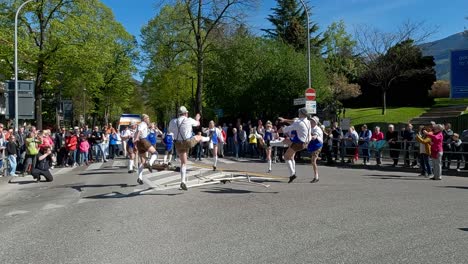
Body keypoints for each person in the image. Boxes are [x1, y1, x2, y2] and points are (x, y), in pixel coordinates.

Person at [168, 106, 209, 191]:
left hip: (178, 143)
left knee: (183, 163)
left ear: (178, 114)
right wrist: (197, 118)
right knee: (199, 136)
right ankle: (209, 139)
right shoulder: (189, 120)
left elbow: (170, 130)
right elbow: (198, 124)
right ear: (186, 113)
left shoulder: (173, 121)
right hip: (187, 142)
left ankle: (183, 182)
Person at [278, 107, 311, 183]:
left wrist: (283, 128)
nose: (298, 113)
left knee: (286, 156)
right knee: (290, 154)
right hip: (306, 143)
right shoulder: (308, 122)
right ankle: (293, 172)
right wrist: (285, 120)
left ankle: (292, 174)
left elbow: (288, 128)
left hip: (299, 143)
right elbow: (294, 121)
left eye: (299, 112)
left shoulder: (298, 123)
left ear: (302, 114)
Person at [134, 114, 160, 185]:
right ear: (144, 119)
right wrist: (136, 138)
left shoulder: (139, 125)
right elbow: (139, 131)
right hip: (143, 140)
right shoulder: (143, 124)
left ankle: (140, 177)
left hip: (139, 143)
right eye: (148, 118)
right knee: (155, 153)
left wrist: (135, 143)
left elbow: (136, 132)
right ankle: (150, 163)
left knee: (142, 161)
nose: (149, 120)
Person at [309, 116, 323, 183]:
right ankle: (316, 176)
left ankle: (316, 177)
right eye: (311, 120)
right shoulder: (310, 128)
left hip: (318, 145)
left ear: (316, 123)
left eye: (313, 121)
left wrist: (311, 137)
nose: (311, 122)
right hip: (312, 145)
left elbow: (314, 137)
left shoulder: (318, 129)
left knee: (313, 161)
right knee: (313, 161)